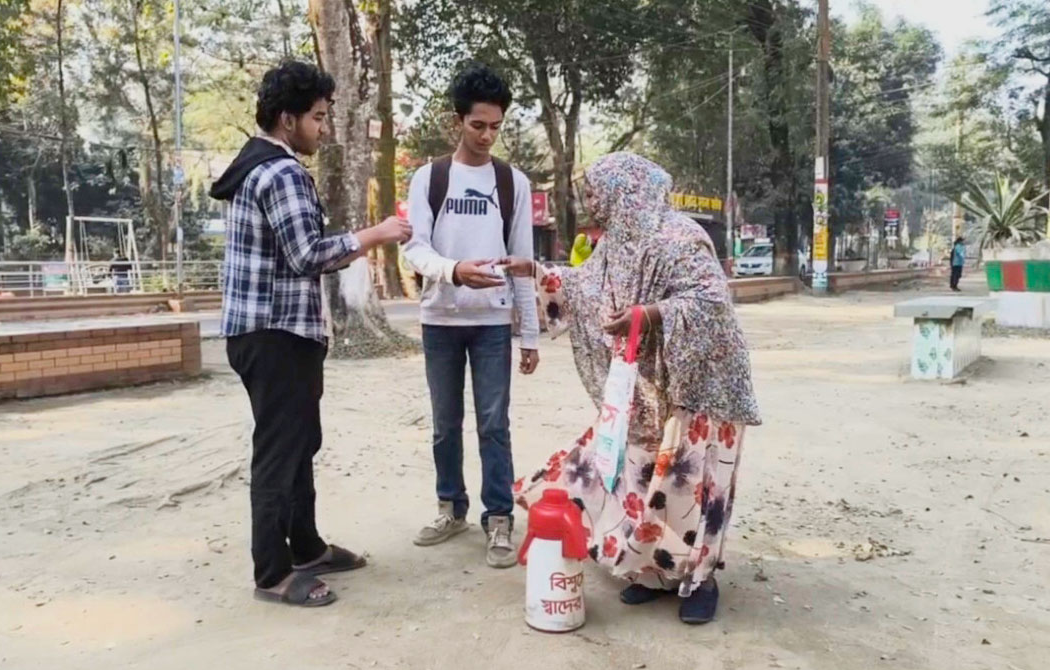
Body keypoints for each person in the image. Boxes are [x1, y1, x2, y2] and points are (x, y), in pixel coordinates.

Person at [501, 153, 761, 625]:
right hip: (646, 386)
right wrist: (535, 271)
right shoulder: (616, 243)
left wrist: (647, 314)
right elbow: (586, 287)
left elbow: (709, 300)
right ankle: (655, 571)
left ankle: (700, 579)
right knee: (642, 476)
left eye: (598, 191)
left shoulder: (681, 237)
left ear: (628, 189)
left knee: (693, 485)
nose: (592, 201)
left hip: (701, 384)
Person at [208, 60, 412, 607]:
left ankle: (306, 546)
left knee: (300, 443)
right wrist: (377, 233)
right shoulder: (281, 172)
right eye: (318, 117)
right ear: (286, 118)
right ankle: (273, 573)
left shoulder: (260, 169)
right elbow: (306, 255)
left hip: (273, 333)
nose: (323, 128)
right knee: (279, 452)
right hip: (275, 335)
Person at [403, 63, 539, 568]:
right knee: (445, 424)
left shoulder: (512, 182)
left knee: (493, 423)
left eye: (495, 126)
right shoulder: (430, 178)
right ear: (456, 121)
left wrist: (529, 335)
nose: (486, 136)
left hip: (492, 324)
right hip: (440, 319)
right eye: (477, 125)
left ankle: (498, 518)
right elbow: (414, 250)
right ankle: (450, 507)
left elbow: (522, 259)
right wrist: (454, 271)